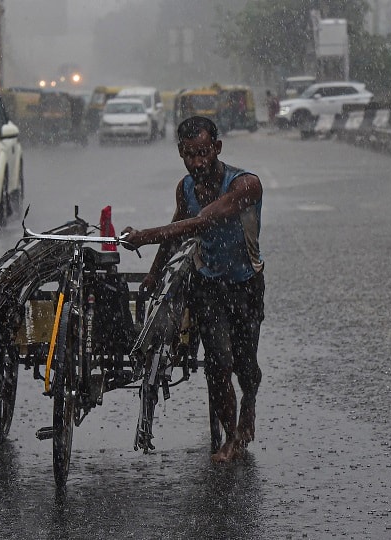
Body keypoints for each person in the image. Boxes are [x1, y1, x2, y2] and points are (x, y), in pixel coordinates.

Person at [122, 116, 264, 463]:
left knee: (246, 367)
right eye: (188, 155)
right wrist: (153, 275)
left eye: (202, 153)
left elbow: (202, 221)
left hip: (245, 284)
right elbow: (178, 229)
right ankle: (231, 438)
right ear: (181, 154)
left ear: (216, 148)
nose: (197, 162)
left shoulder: (245, 185)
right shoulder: (185, 188)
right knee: (218, 363)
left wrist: (143, 236)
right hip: (208, 285)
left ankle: (249, 404)